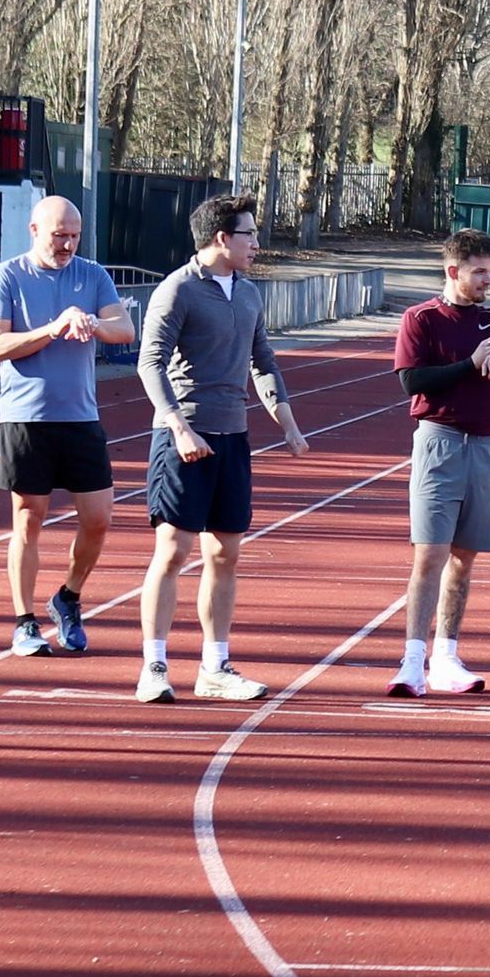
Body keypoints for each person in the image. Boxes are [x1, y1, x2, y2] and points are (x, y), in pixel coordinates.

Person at [134, 194, 309, 704]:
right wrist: (179, 428)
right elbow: (150, 363)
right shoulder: (178, 290)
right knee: (173, 550)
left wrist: (288, 424)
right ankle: (154, 665)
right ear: (221, 238)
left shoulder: (249, 294)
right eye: (249, 234)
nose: (257, 243)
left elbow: (263, 361)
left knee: (225, 553)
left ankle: (215, 667)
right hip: (184, 437)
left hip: (233, 437)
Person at [387, 229, 490, 697]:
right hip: (440, 443)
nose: (487, 280)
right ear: (452, 271)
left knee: (464, 557)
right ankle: (412, 661)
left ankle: (446, 656)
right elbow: (411, 381)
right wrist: (471, 363)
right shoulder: (421, 319)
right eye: (479, 271)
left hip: (487, 446)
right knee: (430, 553)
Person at [0, 195, 135, 656]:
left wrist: (91, 323)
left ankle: (67, 597)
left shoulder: (92, 275)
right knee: (29, 518)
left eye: (74, 236)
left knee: (99, 519)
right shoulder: (6, 277)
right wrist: (52, 328)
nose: (67, 245)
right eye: (58, 236)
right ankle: (24, 621)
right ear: (34, 231)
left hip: (80, 416)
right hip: (26, 417)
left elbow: (125, 330)